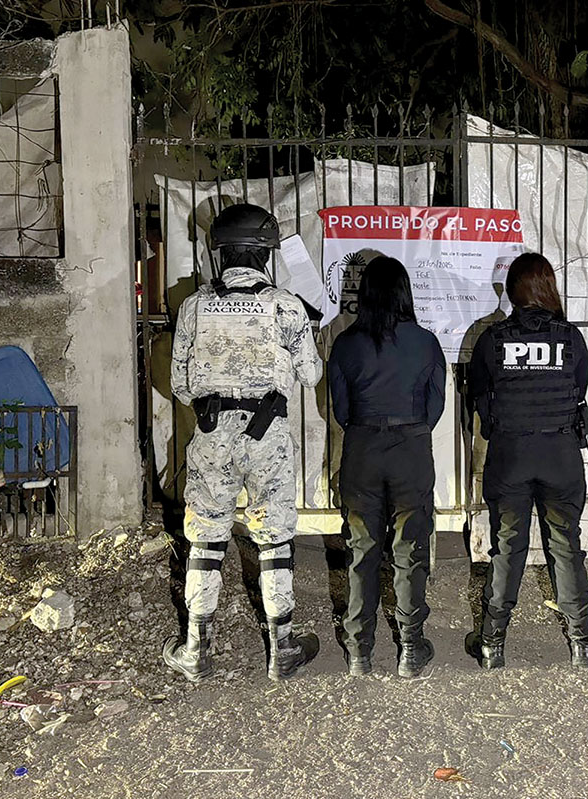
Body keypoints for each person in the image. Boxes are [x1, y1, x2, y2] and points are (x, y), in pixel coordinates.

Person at [165, 203, 322, 681]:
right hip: (267, 435)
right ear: (267, 254)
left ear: (220, 253)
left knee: (205, 537)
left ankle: (196, 650)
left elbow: (180, 385)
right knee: (274, 537)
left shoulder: (194, 306)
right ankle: (282, 648)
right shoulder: (286, 306)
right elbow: (310, 375)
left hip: (212, 434)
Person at [464, 252, 588, 669]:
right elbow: (579, 387)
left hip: (510, 455)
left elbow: (477, 395)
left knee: (507, 547)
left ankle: (492, 644)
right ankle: (582, 641)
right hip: (560, 455)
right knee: (566, 546)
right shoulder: (570, 338)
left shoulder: (492, 338)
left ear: (511, 291)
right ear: (549, 288)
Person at [328, 256, 446, 678]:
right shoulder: (426, 343)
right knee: (410, 547)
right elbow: (435, 407)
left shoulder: (345, 343)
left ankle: (359, 649)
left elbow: (340, 410)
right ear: (404, 293)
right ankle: (410, 648)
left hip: (361, 448)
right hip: (411, 448)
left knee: (361, 550)